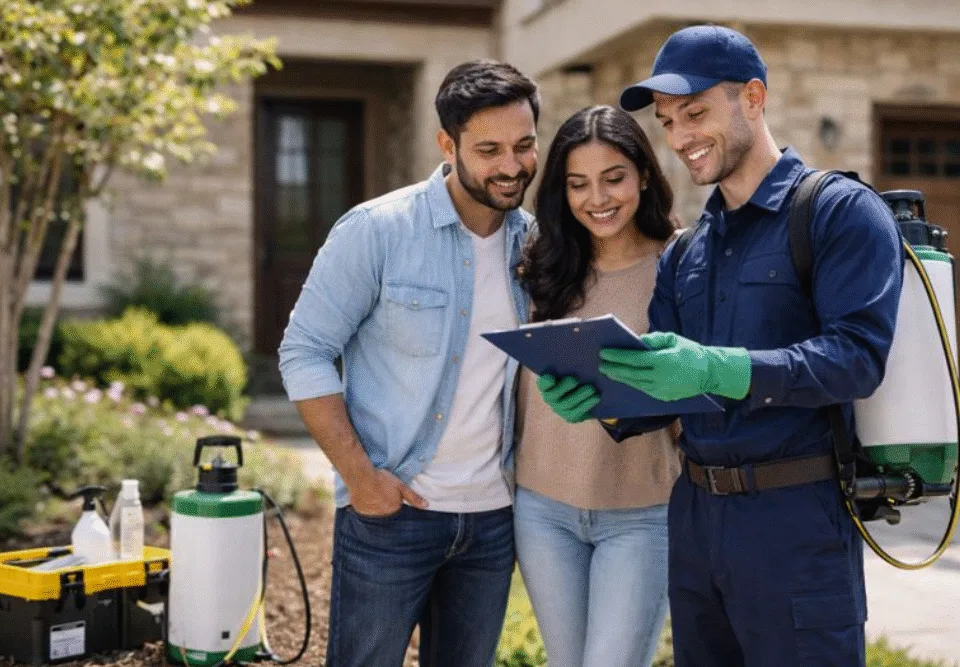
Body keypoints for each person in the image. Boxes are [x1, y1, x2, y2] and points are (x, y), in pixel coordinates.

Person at [537, 25, 903, 667]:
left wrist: (716, 366)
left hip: (795, 521)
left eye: (696, 112)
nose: (681, 137)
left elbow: (856, 360)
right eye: (670, 121)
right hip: (696, 521)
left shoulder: (837, 212)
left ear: (754, 98)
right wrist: (597, 393)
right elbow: (672, 384)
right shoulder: (687, 250)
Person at [277, 60, 539, 667]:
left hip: (493, 521)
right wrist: (361, 479)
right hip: (391, 517)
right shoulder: (379, 230)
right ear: (447, 145)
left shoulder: (536, 244)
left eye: (524, 145)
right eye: (489, 149)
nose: (511, 165)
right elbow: (304, 350)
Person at [513, 105, 679, 667]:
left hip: (642, 513)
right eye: (578, 184)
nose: (598, 199)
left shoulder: (682, 263)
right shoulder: (542, 264)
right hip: (541, 509)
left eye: (614, 179)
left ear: (645, 176)